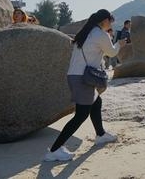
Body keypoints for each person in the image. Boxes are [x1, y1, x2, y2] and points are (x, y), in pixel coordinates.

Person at [44, 9, 128, 162]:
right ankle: (54, 150)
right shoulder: (100, 34)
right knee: (81, 115)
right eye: (110, 22)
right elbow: (112, 53)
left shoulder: (85, 32)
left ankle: (101, 134)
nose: (110, 25)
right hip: (83, 78)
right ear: (105, 20)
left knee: (97, 102)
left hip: (75, 75)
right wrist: (119, 43)